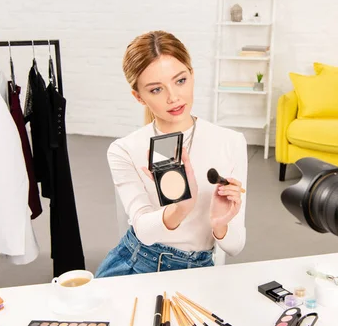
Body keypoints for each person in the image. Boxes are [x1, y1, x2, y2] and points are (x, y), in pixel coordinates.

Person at [96, 31, 247, 277]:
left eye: (180, 81)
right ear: (138, 97)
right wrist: (179, 210)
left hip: (197, 269)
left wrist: (220, 225)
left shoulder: (231, 142)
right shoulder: (124, 149)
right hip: (134, 263)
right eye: (156, 90)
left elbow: (235, 246)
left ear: (192, 75)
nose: (173, 97)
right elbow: (143, 230)